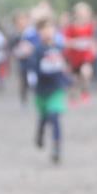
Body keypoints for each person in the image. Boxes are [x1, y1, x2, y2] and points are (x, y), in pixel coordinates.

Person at [29, 17, 71, 164]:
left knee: (54, 117)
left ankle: (56, 148)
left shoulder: (59, 48)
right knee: (44, 117)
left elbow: (64, 68)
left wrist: (68, 81)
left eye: (50, 28)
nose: (48, 32)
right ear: (39, 33)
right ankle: (40, 132)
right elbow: (34, 69)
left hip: (56, 89)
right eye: (44, 29)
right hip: (42, 90)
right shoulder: (37, 50)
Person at [63, 1, 97, 106]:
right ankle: (73, 97)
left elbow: (93, 40)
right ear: (76, 14)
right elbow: (65, 41)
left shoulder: (90, 27)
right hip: (73, 58)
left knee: (86, 72)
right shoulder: (71, 27)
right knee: (73, 80)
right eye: (81, 13)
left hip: (85, 57)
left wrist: (95, 47)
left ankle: (85, 92)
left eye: (85, 13)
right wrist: (75, 43)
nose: (83, 15)